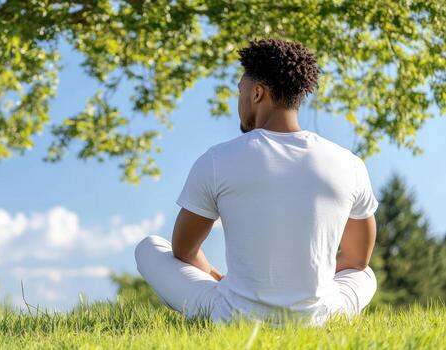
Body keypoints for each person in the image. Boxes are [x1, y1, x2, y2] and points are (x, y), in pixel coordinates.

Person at [134, 38, 379, 327]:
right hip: (318, 319)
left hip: (232, 317)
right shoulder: (348, 163)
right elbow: (357, 259)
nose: (239, 99)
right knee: (365, 275)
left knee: (149, 247)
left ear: (257, 93)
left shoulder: (217, 159)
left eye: (241, 90)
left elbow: (183, 250)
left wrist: (218, 278)